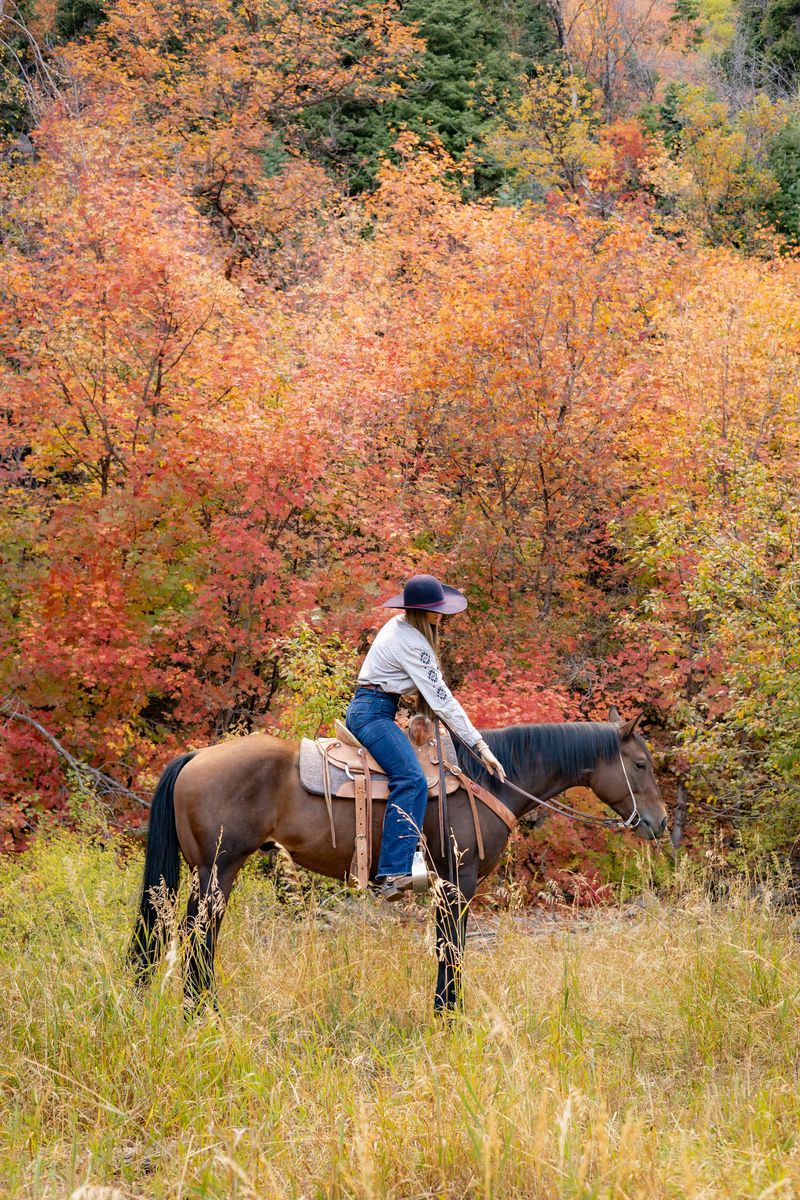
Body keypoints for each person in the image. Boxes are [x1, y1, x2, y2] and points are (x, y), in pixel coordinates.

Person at [345, 574, 507, 900]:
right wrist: (479, 745)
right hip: (372, 713)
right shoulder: (411, 642)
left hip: (375, 707)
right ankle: (393, 873)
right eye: (436, 610)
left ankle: (415, 864)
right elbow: (443, 701)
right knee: (411, 779)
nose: (441, 615)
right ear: (423, 611)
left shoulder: (402, 626)